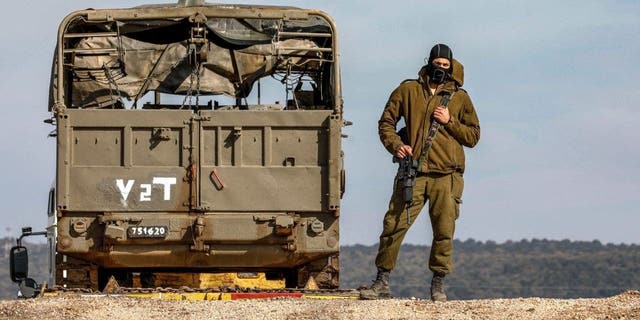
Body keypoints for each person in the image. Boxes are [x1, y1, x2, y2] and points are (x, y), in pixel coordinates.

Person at [359, 44, 480, 301]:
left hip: (447, 176)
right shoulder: (408, 90)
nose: (440, 69)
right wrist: (396, 145)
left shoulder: (460, 98)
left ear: (451, 67)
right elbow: (386, 123)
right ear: (429, 63)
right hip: (413, 172)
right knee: (393, 225)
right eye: (437, 64)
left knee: (444, 231)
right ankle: (382, 282)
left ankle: (438, 284)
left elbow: (473, 136)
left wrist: (450, 121)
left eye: (445, 65)